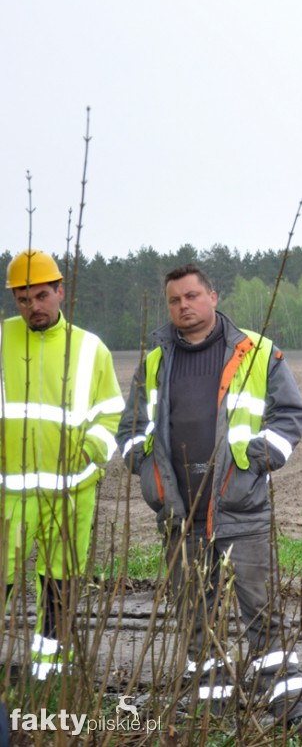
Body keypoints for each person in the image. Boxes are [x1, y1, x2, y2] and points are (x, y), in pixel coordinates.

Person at [116, 263, 302, 740]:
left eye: (192, 296)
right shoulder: (155, 359)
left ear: (213, 296)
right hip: (179, 512)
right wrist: (147, 471)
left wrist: (258, 460)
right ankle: (211, 715)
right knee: (196, 617)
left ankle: (293, 711)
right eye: (174, 300)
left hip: (240, 508)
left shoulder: (257, 351)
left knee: (262, 614)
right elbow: (131, 429)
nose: (183, 306)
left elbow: (290, 415)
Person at [2, 249, 124, 680]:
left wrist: (89, 450)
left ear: (60, 291)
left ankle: (50, 671)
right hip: (8, 492)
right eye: (23, 299)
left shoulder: (90, 349)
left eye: (41, 296)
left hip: (72, 492)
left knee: (60, 583)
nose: (33, 306)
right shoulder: (2, 338)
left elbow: (110, 412)